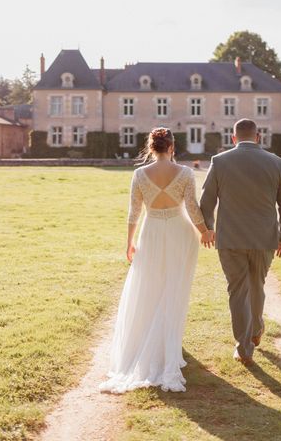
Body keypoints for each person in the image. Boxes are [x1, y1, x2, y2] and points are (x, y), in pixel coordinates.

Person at [100, 128, 212, 394]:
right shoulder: (184, 173)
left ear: (151, 148)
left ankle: (160, 344)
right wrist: (204, 231)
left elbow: (134, 212)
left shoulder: (140, 174)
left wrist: (129, 242)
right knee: (174, 286)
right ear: (172, 147)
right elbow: (193, 207)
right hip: (178, 230)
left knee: (149, 285)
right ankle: (167, 344)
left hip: (150, 232)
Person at [200, 118, 281, 366]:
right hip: (265, 237)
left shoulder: (219, 162)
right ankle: (256, 329)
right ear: (258, 137)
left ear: (233, 138)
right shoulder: (276, 163)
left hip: (230, 237)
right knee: (257, 284)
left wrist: (208, 228)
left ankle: (244, 347)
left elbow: (206, 200)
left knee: (237, 290)